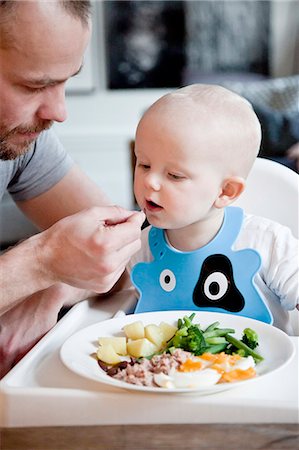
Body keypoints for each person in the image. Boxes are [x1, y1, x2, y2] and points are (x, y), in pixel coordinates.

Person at [0, 0, 145, 377]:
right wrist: (40, 261)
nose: (59, 111)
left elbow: (127, 247)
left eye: (66, 80)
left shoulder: (21, 141)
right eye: (35, 85)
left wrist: (54, 287)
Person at [126, 84, 298, 333]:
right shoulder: (138, 248)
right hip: (167, 369)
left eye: (174, 175)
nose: (150, 182)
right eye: (144, 164)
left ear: (225, 191)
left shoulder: (267, 243)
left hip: (260, 369)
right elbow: (106, 297)